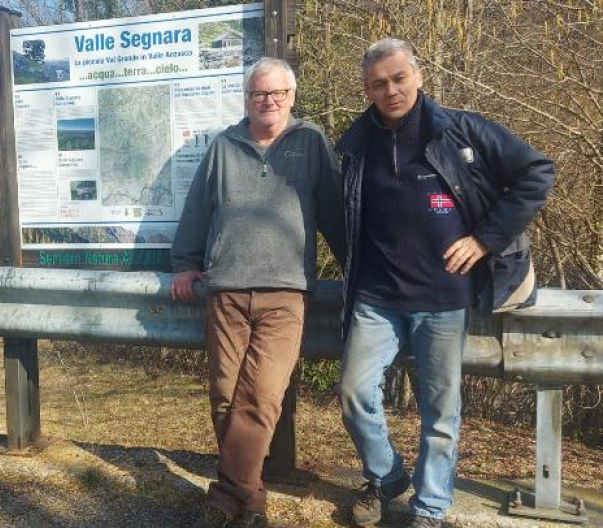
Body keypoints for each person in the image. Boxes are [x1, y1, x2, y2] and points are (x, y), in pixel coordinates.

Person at [335, 39, 555, 527]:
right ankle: (387, 476)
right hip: (376, 297)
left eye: (398, 78)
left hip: (444, 298)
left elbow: (536, 173)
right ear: (366, 90)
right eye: (378, 83)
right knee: (353, 392)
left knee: (440, 414)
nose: (390, 89)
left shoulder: (462, 130)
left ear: (418, 75)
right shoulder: (355, 144)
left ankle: (430, 507)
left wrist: (485, 239)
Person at [171, 57, 345, 528]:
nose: (267, 101)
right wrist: (186, 263)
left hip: (286, 294)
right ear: (246, 99)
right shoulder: (224, 147)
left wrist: (357, 269)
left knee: (262, 397)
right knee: (225, 396)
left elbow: (333, 211)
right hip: (225, 289)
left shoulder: (310, 143)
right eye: (258, 94)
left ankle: (228, 495)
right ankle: (253, 500)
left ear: (291, 97)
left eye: (277, 94)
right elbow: (197, 210)